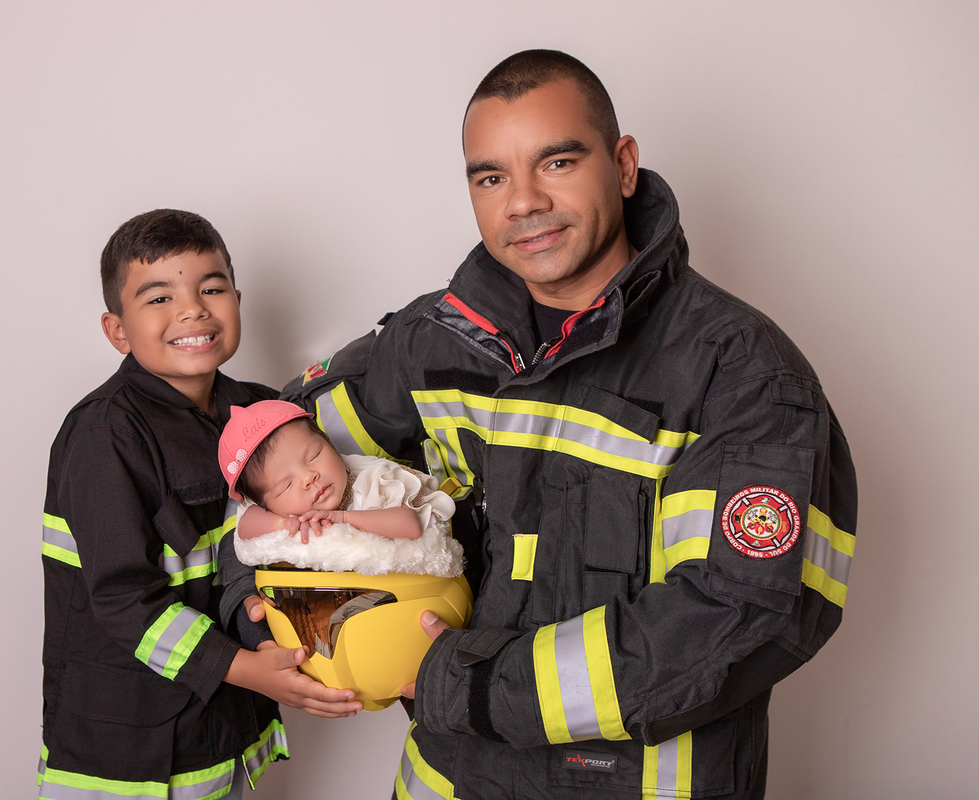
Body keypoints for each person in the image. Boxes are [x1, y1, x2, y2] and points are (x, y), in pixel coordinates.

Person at [230, 50, 858, 799]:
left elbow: (737, 616)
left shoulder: (741, 374)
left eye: (556, 162)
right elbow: (263, 456)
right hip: (448, 777)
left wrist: (468, 686)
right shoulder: (434, 343)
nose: (522, 202)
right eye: (491, 177)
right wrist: (268, 602)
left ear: (623, 165)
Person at [38, 210, 361, 800]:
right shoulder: (105, 434)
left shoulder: (262, 414)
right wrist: (248, 669)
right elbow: (121, 599)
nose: (192, 310)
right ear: (117, 330)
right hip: (128, 751)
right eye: (159, 297)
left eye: (210, 288)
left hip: (224, 733)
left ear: (237, 300)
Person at [219, 400, 462, 577]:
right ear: (266, 504)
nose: (308, 477)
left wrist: (342, 518)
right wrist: (282, 524)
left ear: (332, 445)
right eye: (287, 485)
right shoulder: (279, 513)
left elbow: (410, 525)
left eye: (314, 456)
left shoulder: (373, 480)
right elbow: (245, 526)